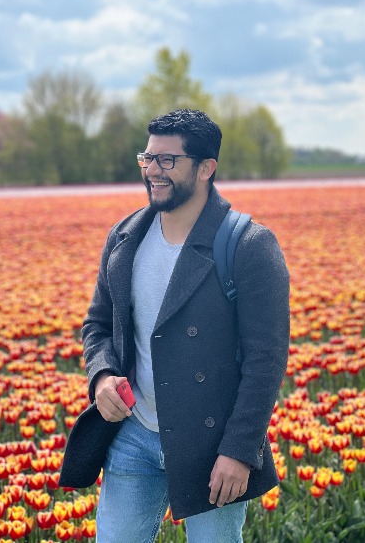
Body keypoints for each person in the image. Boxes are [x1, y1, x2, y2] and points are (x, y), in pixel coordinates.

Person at [82, 109, 290, 542]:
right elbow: (98, 325)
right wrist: (101, 376)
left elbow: (266, 360)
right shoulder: (125, 238)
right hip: (133, 433)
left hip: (211, 443)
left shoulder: (249, 246)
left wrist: (239, 451)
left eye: (167, 160)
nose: (152, 171)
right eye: (148, 158)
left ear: (205, 168)